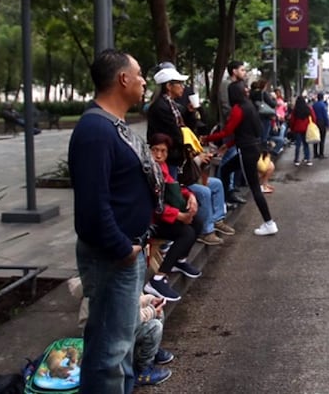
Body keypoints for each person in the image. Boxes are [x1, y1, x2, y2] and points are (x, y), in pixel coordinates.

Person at [70, 50, 170, 391]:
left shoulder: (113, 125)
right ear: (122, 79)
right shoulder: (95, 130)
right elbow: (92, 207)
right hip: (113, 256)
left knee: (122, 345)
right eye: (139, 73)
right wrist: (122, 248)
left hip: (128, 251)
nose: (144, 81)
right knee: (109, 352)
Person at [204, 61, 278, 236]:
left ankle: (269, 222)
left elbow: (228, 131)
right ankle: (222, 205)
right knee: (226, 169)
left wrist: (206, 138)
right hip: (251, 147)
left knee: (254, 188)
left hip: (247, 152)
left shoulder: (238, 109)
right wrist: (227, 145)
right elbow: (243, 133)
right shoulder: (249, 107)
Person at [145, 134, 201, 301]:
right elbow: (155, 205)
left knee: (197, 222)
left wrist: (191, 197)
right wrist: (179, 216)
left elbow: (174, 187)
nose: (159, 155)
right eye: (155, 150)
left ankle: (179, 260)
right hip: (149, 222)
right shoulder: (148, 171)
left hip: (163, 216)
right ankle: (157, 279)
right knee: (186, 232)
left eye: (163, 151)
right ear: (149, 150)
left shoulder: (163, 168)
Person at [288, 95, 317, 167]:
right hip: (306, 129)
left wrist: (292, 128)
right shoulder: (308, 108)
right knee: (306, 144)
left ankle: (297, 160)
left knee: (298, 145)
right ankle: (308, 159)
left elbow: (292, 120)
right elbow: (314, 117)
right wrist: (313, 125)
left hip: (297, 129)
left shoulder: (295, 110)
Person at [311, 93, 329, 159]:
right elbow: (325, 116)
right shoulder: (323, 105)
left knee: (315, 138)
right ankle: (321, 154)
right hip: (321, 122)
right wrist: (327, 124)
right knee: (322, 138)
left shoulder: (314, 105)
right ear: (322, 97)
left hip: (315, 122)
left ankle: (315, 153)